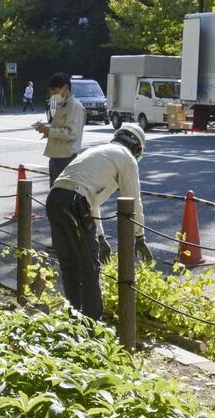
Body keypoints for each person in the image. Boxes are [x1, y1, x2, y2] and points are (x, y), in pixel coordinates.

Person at [46, 123, 153, 320]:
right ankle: (93, 323)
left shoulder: (97, 151)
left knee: (69, 264)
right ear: (137, 147)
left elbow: (91, 201)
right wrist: (140, 236)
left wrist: (101, 236)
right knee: (89, 266)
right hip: (74, 202)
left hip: (55, 200)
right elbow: (133, 200)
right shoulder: (127, 159)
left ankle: (74, 317)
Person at [34, 72, 86, 187]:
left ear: (65, 88)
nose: (52, 95)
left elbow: (71, 133)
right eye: (51, 92)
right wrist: (45, 131)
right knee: (54, 192)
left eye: (55, 91)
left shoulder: (75, 107)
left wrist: (49, 131)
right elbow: (59, 130)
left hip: (65, 158)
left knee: (61, 195)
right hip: (56, 157)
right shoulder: (62, 105)